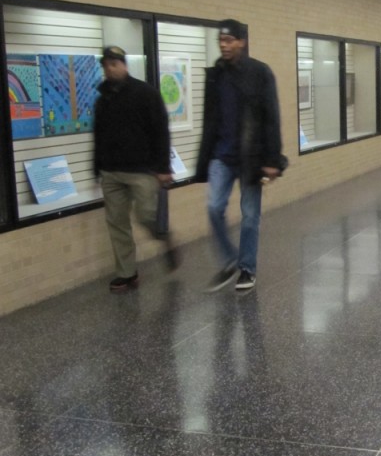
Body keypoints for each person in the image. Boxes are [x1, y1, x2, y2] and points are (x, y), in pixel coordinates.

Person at [196, 18, 284, 292]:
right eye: (221, 41)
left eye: (229, 40)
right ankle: (229, 259)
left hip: (251, 157)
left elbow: (271, 117)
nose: (224, 45)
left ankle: (247, 267)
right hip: (221, 155)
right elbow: (209, 119)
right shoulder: (215, 75)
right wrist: (204, 156)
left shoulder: (259, 72)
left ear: (241, 42)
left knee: (249, 215)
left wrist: (272, 159)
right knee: (213, 207)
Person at [93, 45, 178, 292]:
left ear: (124, 65)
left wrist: (163, 167)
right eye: (106, 65)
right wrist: (95, 169)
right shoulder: (103, 99)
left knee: (146, 216)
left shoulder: (145, 93)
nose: (110, 68)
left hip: (142, 170)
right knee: (117, 223)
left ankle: (164, 237)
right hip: (111, 171)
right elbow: (98, 136)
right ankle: (127, 273)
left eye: (114, 63)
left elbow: (161, 130)